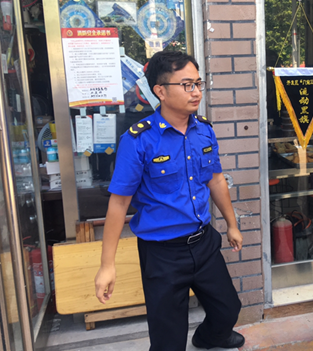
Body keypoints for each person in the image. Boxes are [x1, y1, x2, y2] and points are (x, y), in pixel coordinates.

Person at [94, 50, 245, 351]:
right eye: (187, 85)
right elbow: (119, 204)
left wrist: (232, 224)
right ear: (160, 91)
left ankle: (208, 338)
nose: (196, 92)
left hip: (203, 243)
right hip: (162, 253)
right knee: (168, 341)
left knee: (228, 310)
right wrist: (107, 265)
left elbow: (216, 179)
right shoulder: (139, 140)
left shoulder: (204, 131)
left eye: (198, 83)